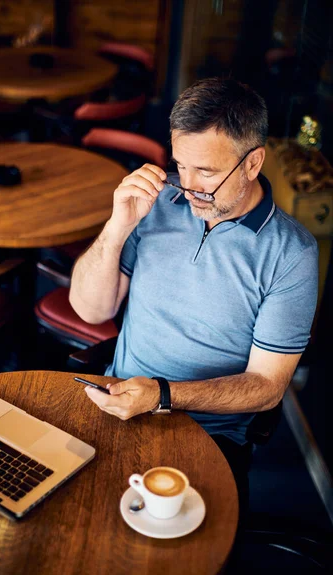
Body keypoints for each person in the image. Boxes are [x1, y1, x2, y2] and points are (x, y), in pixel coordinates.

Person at [69, 77, 318, 513]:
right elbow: (89, 311)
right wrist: (116, 227)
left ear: (253, 162)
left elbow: (266, 388)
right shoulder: (158, 201)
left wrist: (164, 395)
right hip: (116, 397)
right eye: (180, 164)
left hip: (208, 432)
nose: (187, 185)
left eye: (205, 171)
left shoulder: (291, 253)